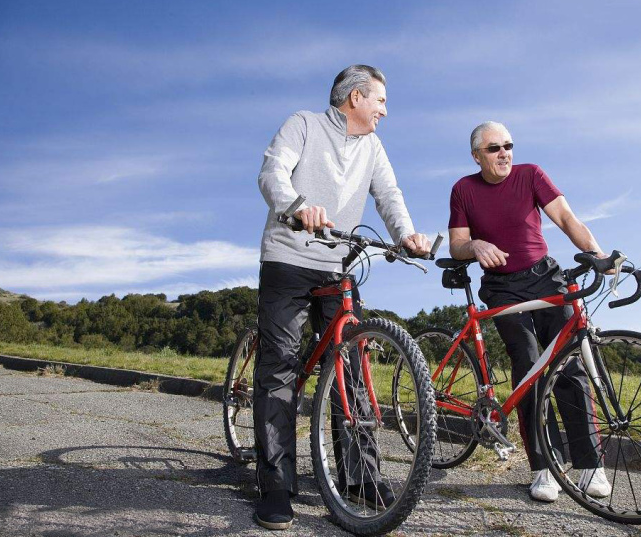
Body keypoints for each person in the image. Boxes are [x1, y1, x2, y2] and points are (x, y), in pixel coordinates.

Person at [255, 64, 431, 529]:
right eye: (381, 101)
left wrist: (406, 235)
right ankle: (275, 484)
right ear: (355, 97)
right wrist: (296, 206)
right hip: (289, 257)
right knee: (280, 367)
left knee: (352, 367)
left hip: (337, 264)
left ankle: (359, 478)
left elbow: (389, 195)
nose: (385, 111)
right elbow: (273, 172)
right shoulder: (303, 125)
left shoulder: (373, 147)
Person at [447, 121, 612, 503]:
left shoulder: (531, 175)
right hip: (502, 287)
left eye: (508, 145)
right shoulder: (463, 189)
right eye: (493, 148)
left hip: (545, 278)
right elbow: (457, 243)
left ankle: (589, 466)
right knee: (529, 367)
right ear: (477, 156)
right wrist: (475, 246)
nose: (503, 152)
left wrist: (598, 254)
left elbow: (567, 219)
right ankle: (543, 467)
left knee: (570, 366)